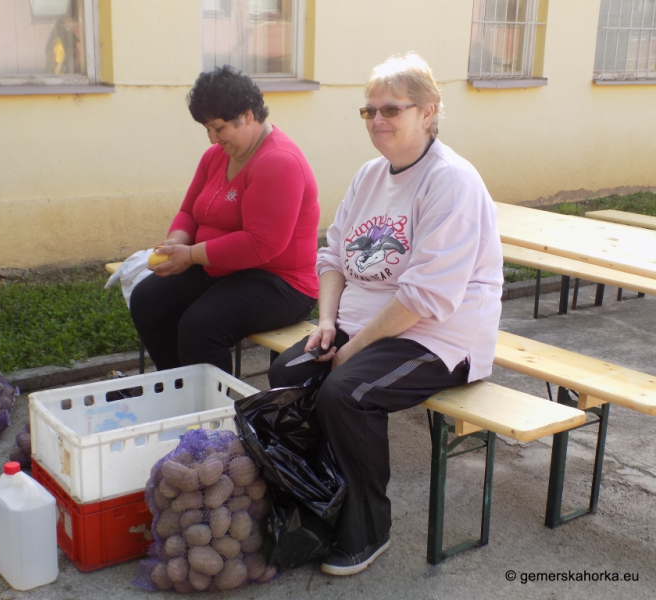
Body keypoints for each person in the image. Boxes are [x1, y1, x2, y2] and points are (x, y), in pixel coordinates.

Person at [268, 53, 503, 576]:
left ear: (429, 112)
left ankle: (368, 528)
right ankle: (318, 502)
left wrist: (351, 349)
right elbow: (332, 256)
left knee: (347, 393)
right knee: (287, 375)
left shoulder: (451, 182)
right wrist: (328, 325)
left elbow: (426, 298)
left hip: (438, 337)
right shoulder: (370, 176)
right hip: (366, 326)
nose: (377, 122)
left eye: (391, 109)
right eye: (368, 111)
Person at [129, 65, 320, 375]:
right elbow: (189, 212)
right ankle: (179, 392)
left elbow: (262, 245)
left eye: (218, 128)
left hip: (280, 282)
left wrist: (190, 255)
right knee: (148, 299)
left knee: (201, 325)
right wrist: (177, 240)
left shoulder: (279, 162)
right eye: (207, 129)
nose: (212, 139)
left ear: (247, 115)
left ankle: (216, 415)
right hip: (224, 268)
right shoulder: (216, 157)